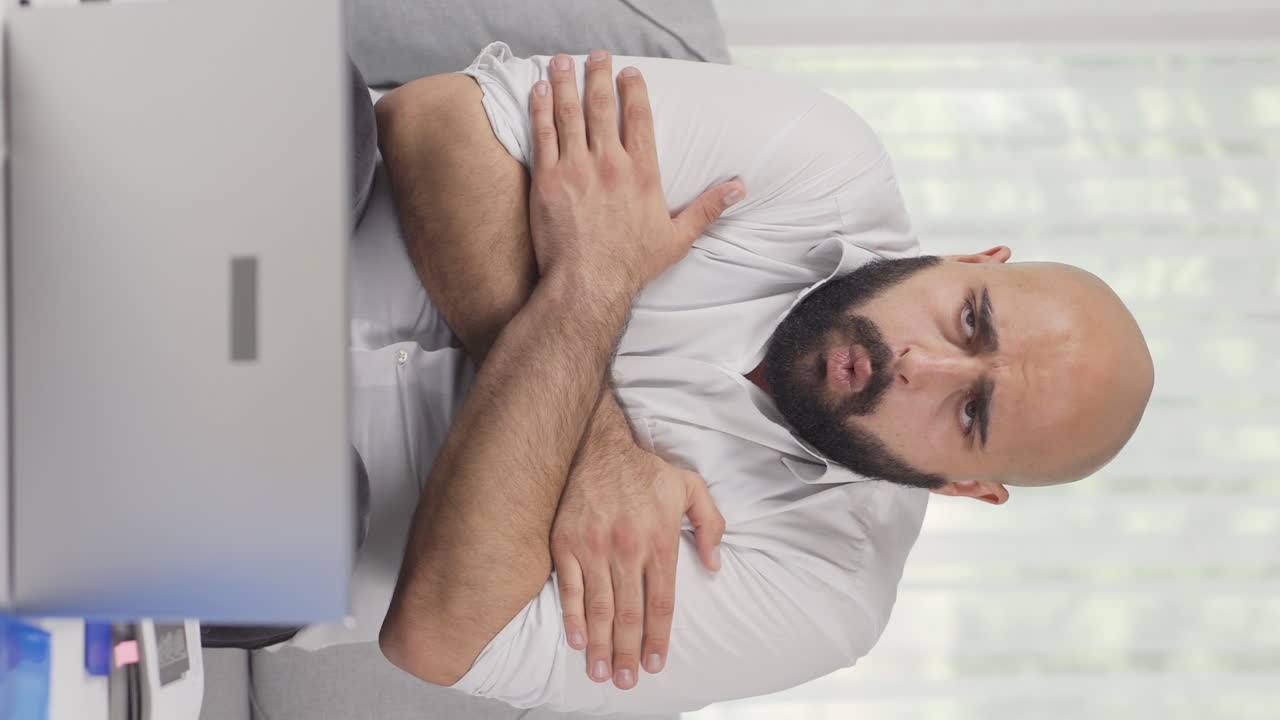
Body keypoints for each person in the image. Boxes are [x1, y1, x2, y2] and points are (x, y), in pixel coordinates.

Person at [355, 45, 1154, 714]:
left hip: (262, 524)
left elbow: (441, 635)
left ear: (962, 487)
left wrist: (591, 275)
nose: (922, 365)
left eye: (972, 411)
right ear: (971, 261)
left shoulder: (825, 594)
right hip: (272, 219)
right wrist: (597, 440)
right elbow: (433, 122)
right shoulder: (823, 161)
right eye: (971, 320)